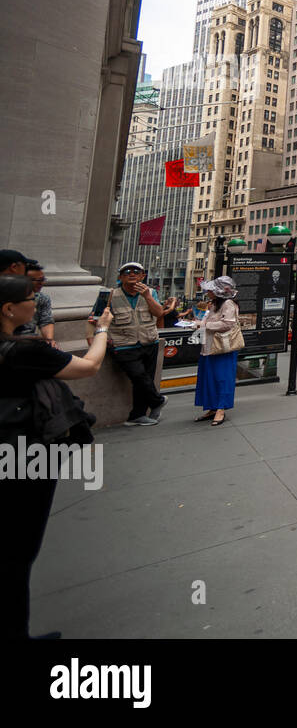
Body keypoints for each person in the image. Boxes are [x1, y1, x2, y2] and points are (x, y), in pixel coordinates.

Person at [1, 274, 114, 638]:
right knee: (18, 551)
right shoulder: (25, 351)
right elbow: (89, 367)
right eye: (30, 297)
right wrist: (101, 331)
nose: (36, 303)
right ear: (9, 309)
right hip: (25, 452)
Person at [106, 262, 168, 426]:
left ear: (142, 276)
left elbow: (159, 313)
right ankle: (157, 400)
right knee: (138, 376)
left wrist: (147, 296)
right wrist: (96, 337)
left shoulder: (151, 293)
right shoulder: (109, 294)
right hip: (123, 344)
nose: (131, 274)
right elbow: (96, 317)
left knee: (144, 379)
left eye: (136, 272)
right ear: (120, 277)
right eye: (126, 272)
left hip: (149, 341)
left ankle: (137, 415)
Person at [195, 276, 240, 426]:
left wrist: (204, 325)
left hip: (222, 348)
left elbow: (228, 324)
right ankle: (213, 407)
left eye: (211, 290)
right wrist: (198, 324)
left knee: (222, 378)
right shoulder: (214, 305)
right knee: (209, 378)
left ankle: (220, 408)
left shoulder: (228, 304)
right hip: (209, 346)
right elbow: (207, 322)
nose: (208, 292)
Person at [17, 263, 56, 346]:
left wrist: (50, 341)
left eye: (43, 279)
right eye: (38, 280)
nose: (41, 283)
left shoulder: (42, 298)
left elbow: (46, 321)